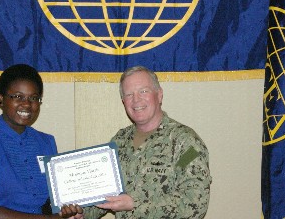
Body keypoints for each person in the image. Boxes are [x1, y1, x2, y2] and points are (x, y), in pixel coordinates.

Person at [83, 65, 211, 219]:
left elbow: (195, 203)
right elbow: (106, 195)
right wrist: (81, 213)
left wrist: (135, 204)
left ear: (159, 95)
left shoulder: (186, 142)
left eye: (143, 91)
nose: (136, 100)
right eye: (129, 94)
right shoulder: (119, 141)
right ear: (123, 101)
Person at [0, 63, 83, 219]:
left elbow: (49, 203)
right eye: (18, 96)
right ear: (1, 99)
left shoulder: (46, 142)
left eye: (34, 98)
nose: (27, 104)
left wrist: (67, 212)